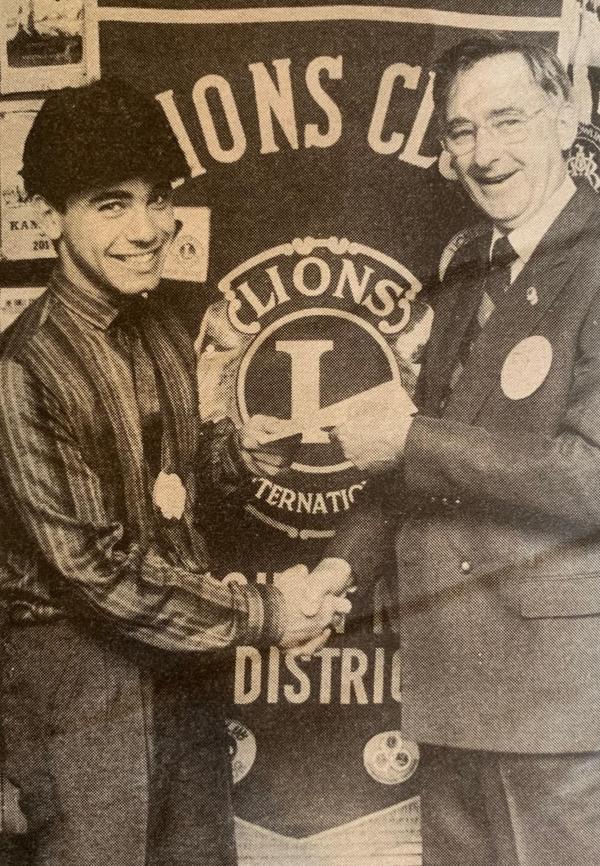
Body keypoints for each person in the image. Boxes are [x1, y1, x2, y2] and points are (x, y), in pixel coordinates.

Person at [309, 36, 600, 865]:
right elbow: (414, 467)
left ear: (566, 120)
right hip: (451, 677)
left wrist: (411, 438)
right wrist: (336, 574)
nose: (484, 154)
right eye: (461, 130)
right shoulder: (467, 262)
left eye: (508, 120)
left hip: (557, 691)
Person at [0, 78, 348, 866]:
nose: (148, 227)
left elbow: (169, 490)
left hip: (182, 675)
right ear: (53, 217)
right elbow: (93, 567)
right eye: (111, 204)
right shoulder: (24, 368)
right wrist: (266, 613)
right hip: (77, 697)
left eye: (157, 199)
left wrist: (235, 458)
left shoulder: (158, 325)